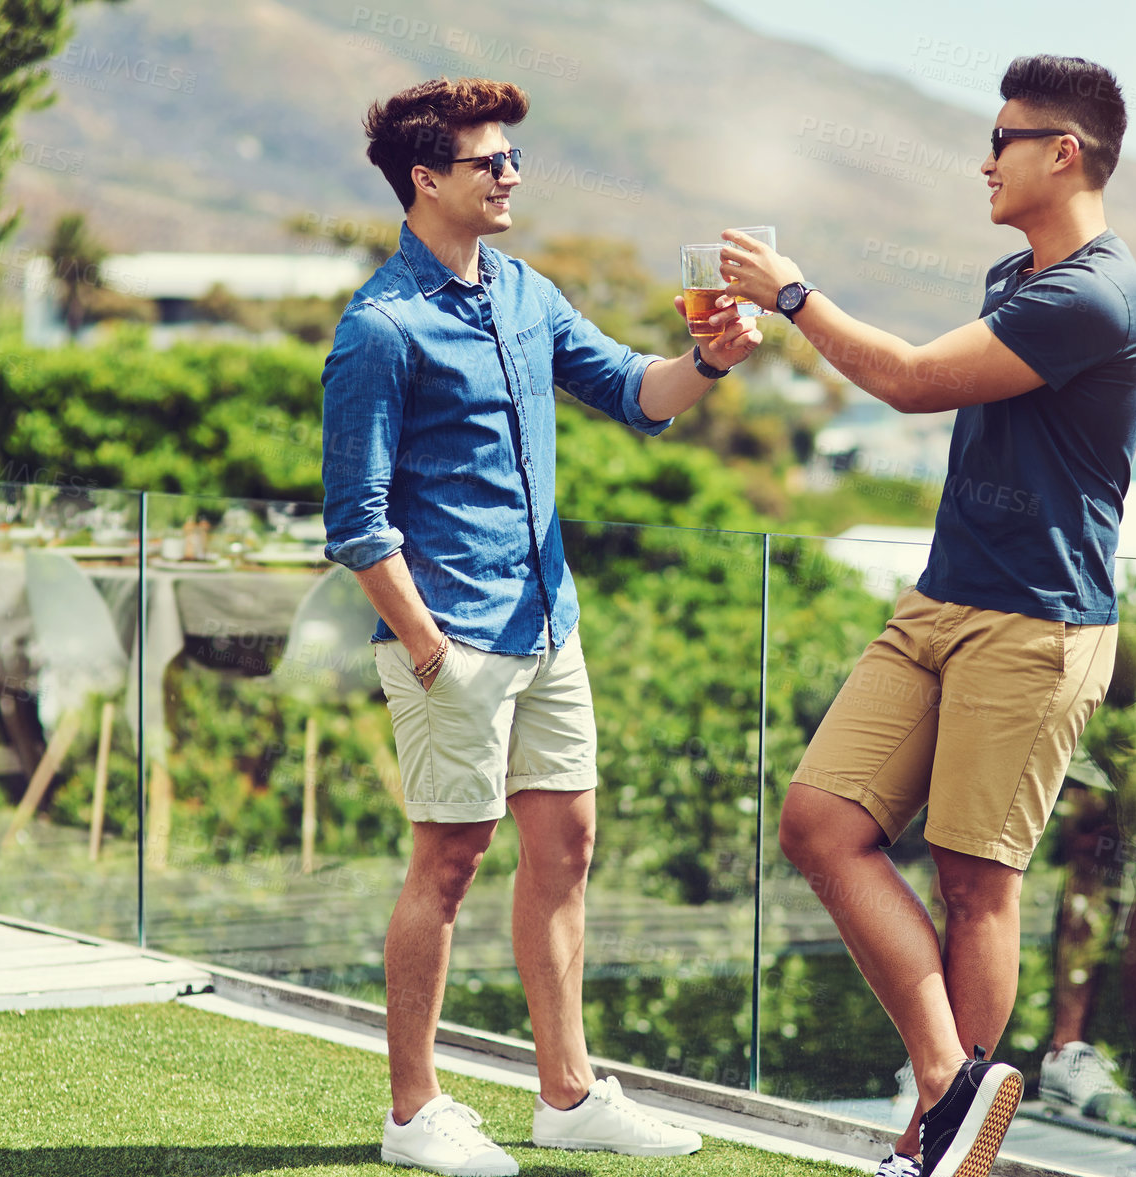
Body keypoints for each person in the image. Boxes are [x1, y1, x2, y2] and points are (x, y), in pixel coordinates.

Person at [721, 54, 1136, 1177]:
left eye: (1004, 138)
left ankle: (933, 1147)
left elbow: (912, 381)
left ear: (1063, 153)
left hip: (1034, 627)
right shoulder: (1014, 278)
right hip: (939, 599)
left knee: (977, 883)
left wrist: (794, 294)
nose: (985, 157)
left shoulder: (1092, 296)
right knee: (819, 823)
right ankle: (951, 1086)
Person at [321, 77, 760, 1177]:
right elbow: (357, 522)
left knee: (565, 850)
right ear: (427, 181)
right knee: (451, 861)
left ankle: (566, 1094)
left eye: (512, 158)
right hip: (452, 642)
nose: (511, 174)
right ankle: (414, 1113)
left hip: (548, 627)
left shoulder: (525, 293)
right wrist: (427, 649)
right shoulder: (380, 329)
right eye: (489, 162)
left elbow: (634, 392)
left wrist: (708, 359)